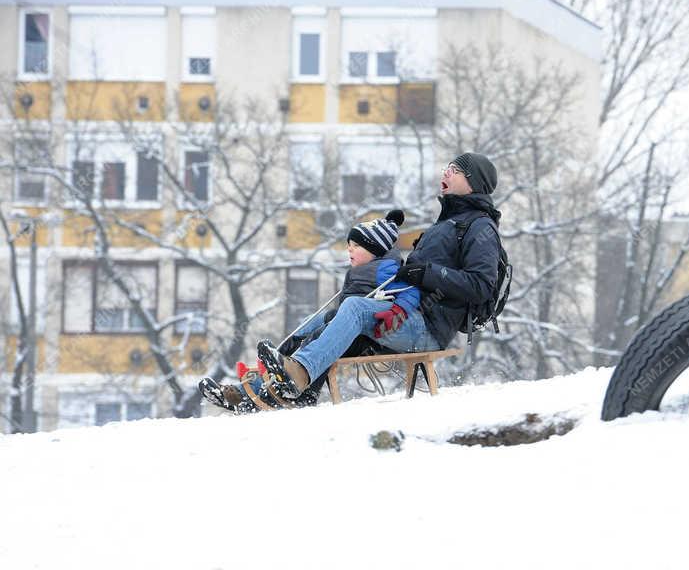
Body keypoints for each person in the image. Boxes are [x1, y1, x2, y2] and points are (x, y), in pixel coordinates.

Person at [258, 152, 502, 399]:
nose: (446, 172)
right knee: (328, 316)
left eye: (456, 169)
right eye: (447, 167)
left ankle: (299, 374)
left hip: (428, 329)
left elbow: (480, 285)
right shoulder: (445, 224)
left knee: (355, 308)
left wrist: (426, 272)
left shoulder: (480, 226)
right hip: (406, 316)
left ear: (473, 182)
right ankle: (259, 391)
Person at [198, 209, 417, 412]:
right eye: (349, 244)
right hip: (352, 329)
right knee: (305, 330)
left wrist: (398, 310)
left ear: (375, 250)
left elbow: (410, 292)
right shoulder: (361, 271)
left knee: (317, 335)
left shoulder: (387, 271)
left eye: (357, 246)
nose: (349, 249)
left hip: (371, 336)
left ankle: (293, 389)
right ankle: (258, 385)